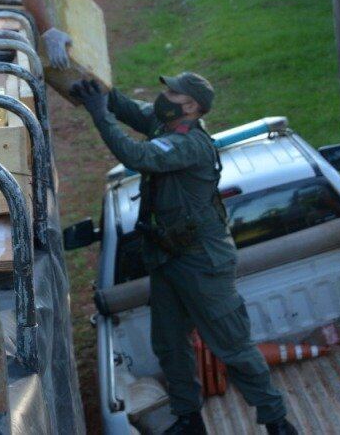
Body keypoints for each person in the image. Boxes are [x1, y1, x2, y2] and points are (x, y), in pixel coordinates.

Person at [70, 74, 297, 435]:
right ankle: (189, 418)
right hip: (168, 258)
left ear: (191, 105)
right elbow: (130, 108)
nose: (164, 95)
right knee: (170, 344)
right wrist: (97, 89)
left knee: (232, 346)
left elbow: (137, 155)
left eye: (172, 92)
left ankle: (276, 422)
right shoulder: (165, 122)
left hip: (202, 262)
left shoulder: (190, 144)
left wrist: (100, 114)